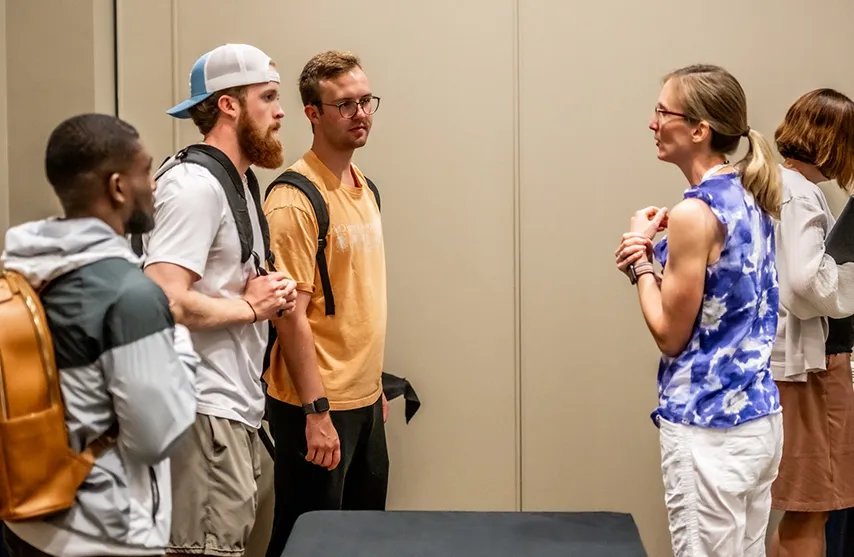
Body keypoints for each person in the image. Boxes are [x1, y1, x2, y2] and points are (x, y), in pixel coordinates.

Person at [0, 113, 198, 557]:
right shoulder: (129, 296)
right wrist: (179, 342)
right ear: (117, 187)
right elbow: (157, 436)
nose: (155, 184)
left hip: (27, 518)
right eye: (146, 170)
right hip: (100, 532)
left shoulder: (21, 271)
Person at [614, 64, 784, 556]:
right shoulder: (751, 194)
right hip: (757, 422)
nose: (652, 123)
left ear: (699, 129)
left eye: (662, 111)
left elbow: (671, 333)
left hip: (710, 429)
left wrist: (641, 263)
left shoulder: (694, 214)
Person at [140, 43, 297, 557]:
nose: (280, 112)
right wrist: (253, 308)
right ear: (229, 104)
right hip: (202, 413)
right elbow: (165, 300)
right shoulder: (192, 186)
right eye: (268, 97)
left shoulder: (241, 184)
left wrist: (270, 294)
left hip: (237, 415)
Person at [262, 50, 388, 555]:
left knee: (363, 543)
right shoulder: (294, 200)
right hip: (316, 406)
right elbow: (292, 316)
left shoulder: (365, 189)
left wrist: (374, 387)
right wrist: (317, 412)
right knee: (306, 544)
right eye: (344, 105)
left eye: (365, 101)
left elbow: (359, 299)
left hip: (363, 400)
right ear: (312, 113)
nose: (360, 114)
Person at [767, 88, 854, 557]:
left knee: (798, 508)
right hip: (811, 371)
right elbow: (806, 284)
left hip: (789, 364)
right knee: (812, 506)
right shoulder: (802, 194)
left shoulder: (772, 184)